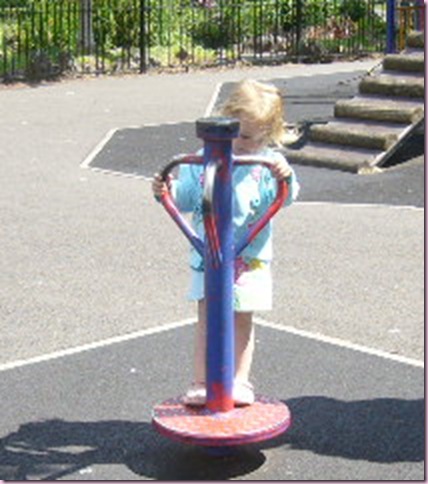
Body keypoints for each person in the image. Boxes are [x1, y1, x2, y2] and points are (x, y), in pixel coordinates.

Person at [152, 79, 299, 406]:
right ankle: (201, 381)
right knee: (207, 318)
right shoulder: (204, 161)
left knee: (242, 317)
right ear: (227, 123)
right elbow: (187, 199)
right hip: (210, 255)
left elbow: (287, 197)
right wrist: (167, 190)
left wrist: (285, 176)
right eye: (243, 136)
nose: (249, 145)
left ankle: (239, 380)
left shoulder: (265, 164)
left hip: (249, 257)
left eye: (259, 137)